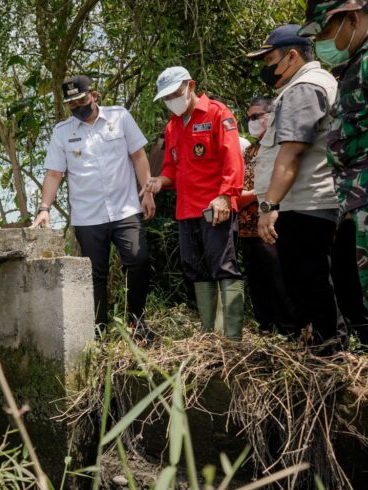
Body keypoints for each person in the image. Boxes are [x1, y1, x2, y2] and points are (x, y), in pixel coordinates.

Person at [300, 0, 368, 369]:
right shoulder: (357, 60)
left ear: (350, 16)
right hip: (364, 202)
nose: (321, 41)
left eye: (325, 31)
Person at [246, 24, 347, 351]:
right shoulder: (312, 85)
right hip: (307, 203)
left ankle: (329, 355)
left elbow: (292, 152)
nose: (267, 68)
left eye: (270, 59)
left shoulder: (304, 89)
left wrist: (268, 205)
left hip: (305, 205)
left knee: (310, 284)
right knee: (311, 282)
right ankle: (323, 350)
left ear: (291, 55)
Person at [32, 75, 155, 335]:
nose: (78, 106)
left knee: (139, 259)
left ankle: (136, 323)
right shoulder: (62, 132)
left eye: (82, 99)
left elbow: (139, 156)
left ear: (94, 95)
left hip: (125, 209)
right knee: (95, 275)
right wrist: (44, 208)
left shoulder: (119, 117)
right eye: (72, 104)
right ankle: (99, 330)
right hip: (88, 217)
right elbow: (54, 174)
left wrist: (146, 192)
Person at [144, 67, 245, 340]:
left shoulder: (216, 113)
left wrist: (226, 195)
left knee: (223, 265)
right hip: (186, 210)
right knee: (195, 268)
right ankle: (209, 334)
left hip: (216, 208)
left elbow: (233, 158)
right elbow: (171, 171)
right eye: (166, 98)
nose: (172, 102)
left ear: (191, 86)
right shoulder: (172, 126)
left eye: (175, 94)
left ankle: (232, 338)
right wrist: (159, 182)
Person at [238, 96, 298, 334]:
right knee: (257, 280)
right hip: (246, 225)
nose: (252, 122)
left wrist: (254, 194)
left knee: (279, 277)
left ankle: (289, 329)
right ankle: (266, 327)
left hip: (272, 224)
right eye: (248, 118)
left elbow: (280, 180)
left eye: (256, 117)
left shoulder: (280, 147)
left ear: (270, 116)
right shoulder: (250, 150)